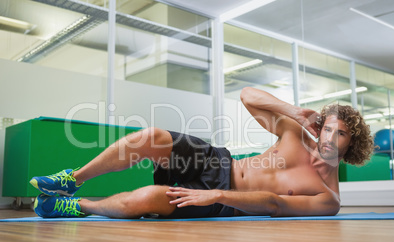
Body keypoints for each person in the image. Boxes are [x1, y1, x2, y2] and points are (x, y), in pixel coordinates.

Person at [30, 87, 374, 218]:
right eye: (327, 127)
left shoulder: (328, 198)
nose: (329, 136)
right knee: (150, 137)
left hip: (226, 199)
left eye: (340, 133)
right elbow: (247, 95)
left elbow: (275, 203)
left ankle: (76, 206)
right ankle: (72, 180)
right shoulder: (295, 133)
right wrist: (295, 111)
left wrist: (215, 196)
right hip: (218, 160)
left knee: (147, 199)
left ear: (351, 144)